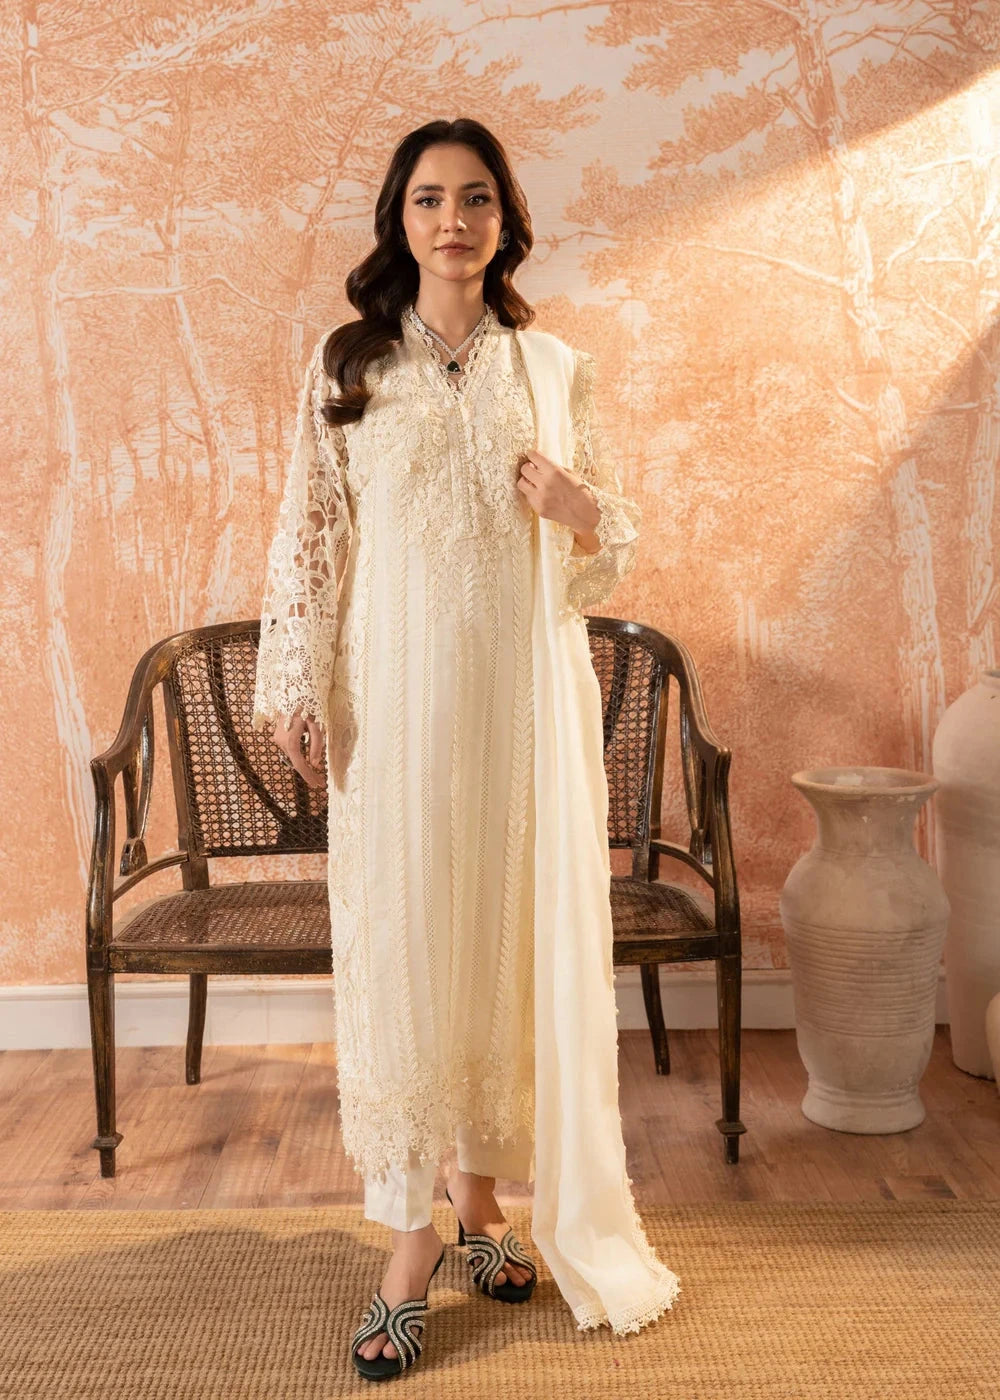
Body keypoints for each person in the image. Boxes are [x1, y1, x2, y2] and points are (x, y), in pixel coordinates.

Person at [252, 117, 679, 1381]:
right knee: (405, 946)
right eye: (430, 199)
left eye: (476, 198)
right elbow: (308, 532)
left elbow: (608, 546)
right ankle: (408, 1241)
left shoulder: (551, 369)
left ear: (505, 220)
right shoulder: (349, 364)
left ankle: (482, 1206)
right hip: (389, 705)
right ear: (400, 219)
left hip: (517, 706)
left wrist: (578, 508)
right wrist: (295, 681)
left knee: (503, 938)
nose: (453, 220)